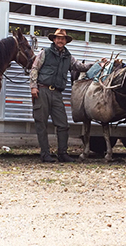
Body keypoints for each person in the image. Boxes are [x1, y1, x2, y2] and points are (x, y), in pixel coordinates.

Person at [30, 29, 94, 163]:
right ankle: (45, 154)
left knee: (63, 124)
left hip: (57, 93)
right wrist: (33, 86)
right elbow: (34, 69)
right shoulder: (44, 53)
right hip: (42, 91)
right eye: (58, 38)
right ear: (54, 40)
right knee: (41, 123)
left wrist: (97, 64)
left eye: (63, 38)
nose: (60, 40)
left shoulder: (68, 57)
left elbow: (80, 67)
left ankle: (62, 153)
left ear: (66, 41)